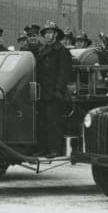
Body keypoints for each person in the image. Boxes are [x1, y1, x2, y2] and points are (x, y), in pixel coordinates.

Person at [36, 20, 73, 156]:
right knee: (42, 122)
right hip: (42, 93)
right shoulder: (42, 51)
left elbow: (64, 73)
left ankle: (54, 149)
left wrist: (58, 90)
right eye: (45, 33)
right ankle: (43, 148)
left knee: (54, 123)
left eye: (50, 33)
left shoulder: (62, 51)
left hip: (54, 94)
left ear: (56, 34)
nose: (47, 35)